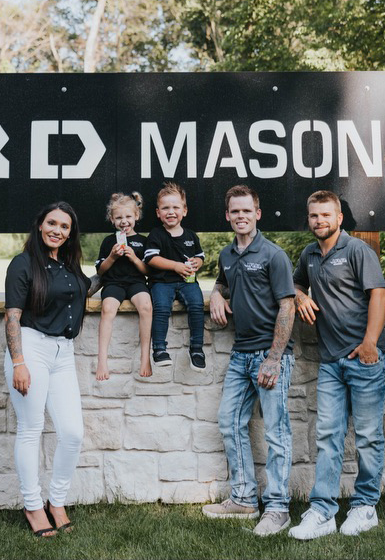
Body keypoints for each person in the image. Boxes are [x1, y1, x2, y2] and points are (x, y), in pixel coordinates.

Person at [289, 190, 385, 540]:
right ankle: (323, 511)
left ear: (339, 218)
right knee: (328, 436)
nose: (320, 221)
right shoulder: (309, 254)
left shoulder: (357, 250)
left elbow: (379, 293)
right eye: (314, 215)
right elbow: (295, 281)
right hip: (331, 361)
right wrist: (300, 295)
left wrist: (370, 344)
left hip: (364, 359)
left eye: (326, 215)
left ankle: (365, 507)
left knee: (367, 437)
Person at [203, 184, 295, 537]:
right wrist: (214, 293)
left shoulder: (273, 255)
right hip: (241, 355)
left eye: (247, 211)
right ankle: (243, 498)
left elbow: (287, 305)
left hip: (271, 357)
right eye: (235, 212)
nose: (241, 216)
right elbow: (225, 282)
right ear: (228, 216)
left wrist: (274, 359)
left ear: (257, 214)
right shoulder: (227, 254)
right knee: (229, 421)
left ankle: (278, 508)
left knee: (276, 433)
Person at [4, 201, 90, 537]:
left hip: (63, 353)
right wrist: (19, 362)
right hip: (31, 348)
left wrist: (111, 265)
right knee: (31, 427)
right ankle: (32, 505)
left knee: (72, 432)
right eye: (51, 223)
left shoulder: (69, 265)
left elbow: (82, 290)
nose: (57, 230)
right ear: (40, 226)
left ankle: (56, 500)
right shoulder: (23, 264)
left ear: (71, 234)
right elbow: (12, 316)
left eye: (64, 227)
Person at [144, 182, 206, 371]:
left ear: (184, 211)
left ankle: (196, 349)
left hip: (188, 283)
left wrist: (197, 262)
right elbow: (151, 258)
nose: (171, 212)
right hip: (162, 283)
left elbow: (200, 256)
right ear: (158, 213)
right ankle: (159, 350)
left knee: (197, 306)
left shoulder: (190, 235)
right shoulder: (156, 234)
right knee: (161, 308)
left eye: (175, 207)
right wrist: (176, 266)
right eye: (165, 208)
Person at [95, 191, 152, 380]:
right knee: (108, 308)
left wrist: (134, 257)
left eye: (128, 216)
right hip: (114, 283)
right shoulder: (109, 241)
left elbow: (147, 271)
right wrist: (112, 256)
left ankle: (145, 357)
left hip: (136, 282)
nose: (124, 221)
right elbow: (101, 271)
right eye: (119, 217)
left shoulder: (143, 241)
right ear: (112, 219)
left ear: (136, 216)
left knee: (146, 306)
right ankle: (102, 360)